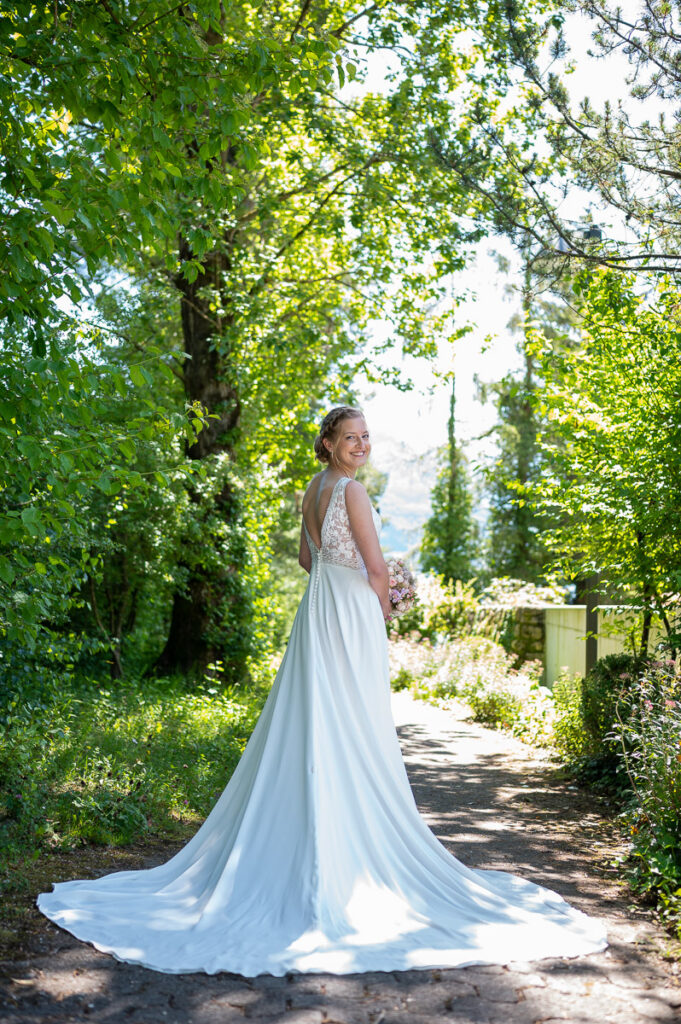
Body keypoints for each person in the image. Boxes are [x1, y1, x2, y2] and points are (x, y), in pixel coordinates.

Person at [37, 406, 608, 976]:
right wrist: (384, 609)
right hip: (352, 613)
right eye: (351, 437)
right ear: (330, 442)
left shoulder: (313, 489)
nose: (361, 445)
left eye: (367, 436)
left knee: (313, 714)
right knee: (353, 719)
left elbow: (308, 559)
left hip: (318, 609)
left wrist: (344, 580)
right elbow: (377, 570)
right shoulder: (352, 492)